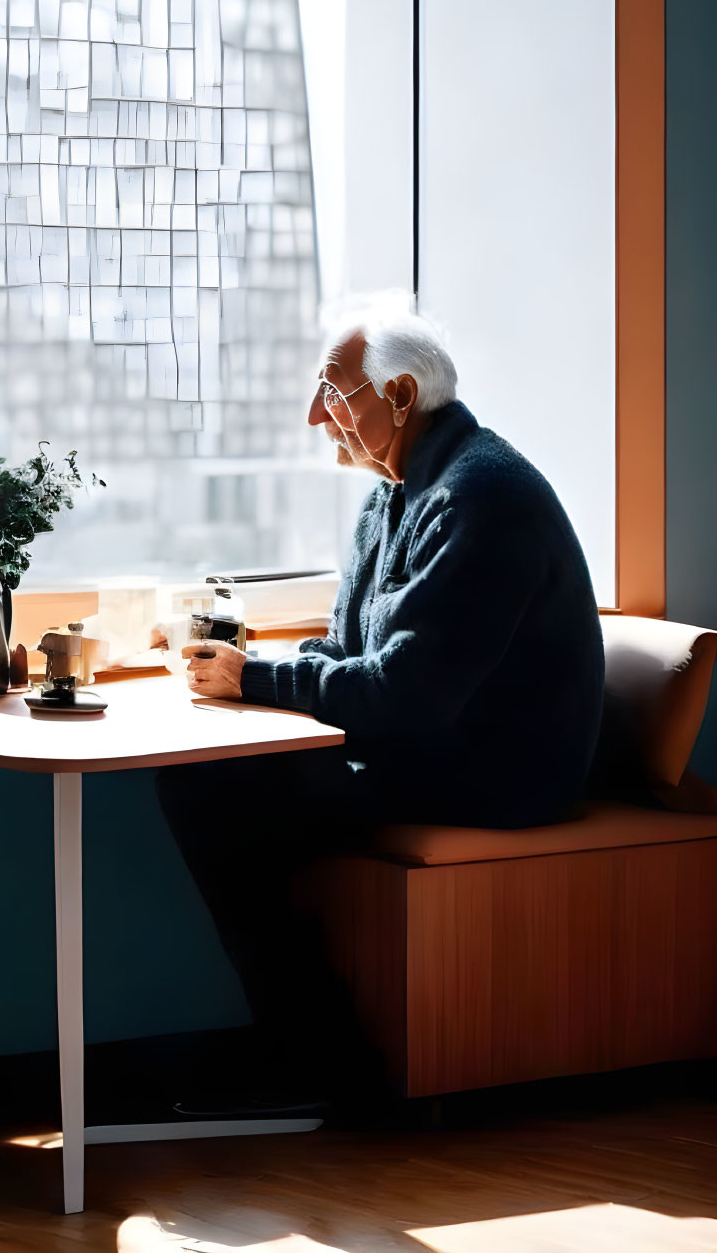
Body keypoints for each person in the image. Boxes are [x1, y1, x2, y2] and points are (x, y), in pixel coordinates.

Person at [157, 310, 605, 1116]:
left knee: (212, 794)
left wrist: (255, 680)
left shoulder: (481, 497)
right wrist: (252, 668)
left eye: (332, 390)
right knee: (219, 781)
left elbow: (406, 693)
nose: (311, 413)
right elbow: (346, 649)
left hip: (497, 775)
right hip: (427, 750)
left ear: (399, 395)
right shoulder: (394, 494)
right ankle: (304, 1045)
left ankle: (317, 1058)